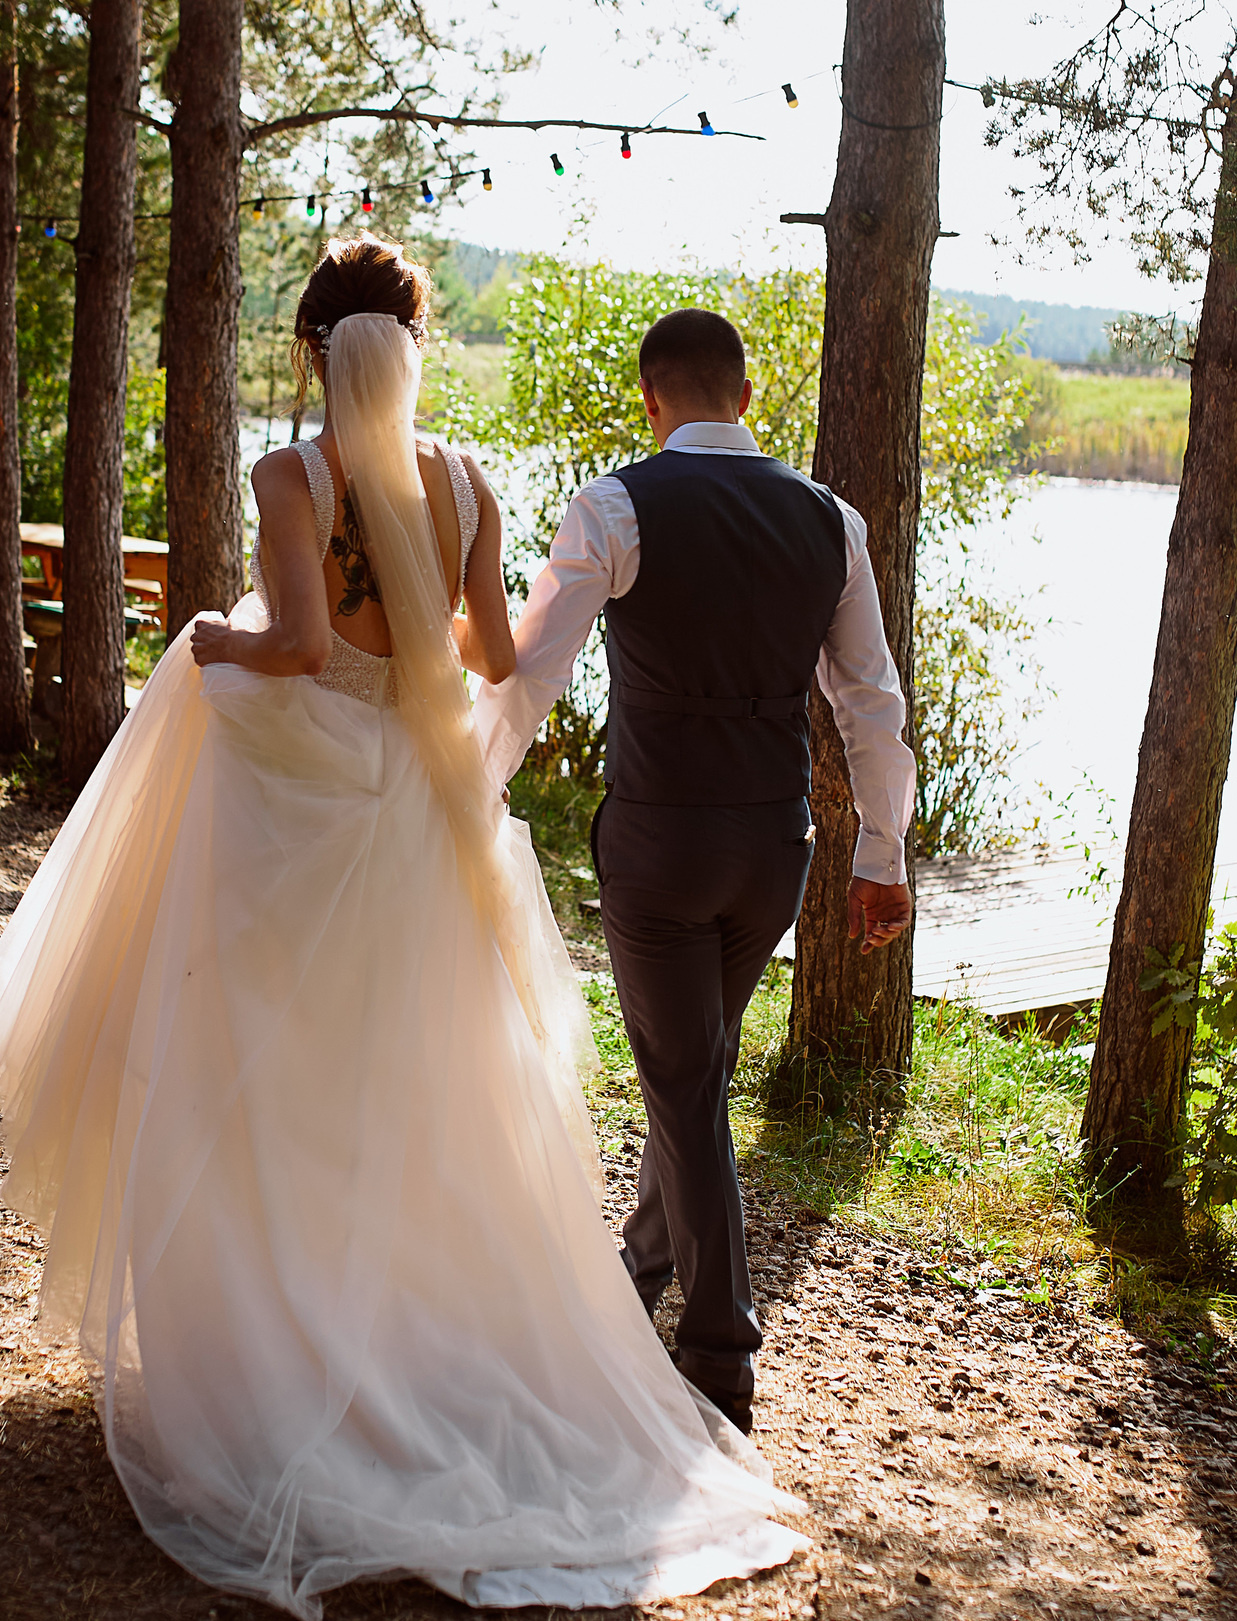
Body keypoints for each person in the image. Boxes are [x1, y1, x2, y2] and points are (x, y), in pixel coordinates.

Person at [0, 238, 806, 1618]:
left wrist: (202, 640)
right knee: (417, 1087)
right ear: (413, 348)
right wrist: (425, 623)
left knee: (266, 1081)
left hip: (301, 811)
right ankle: (408, 1345)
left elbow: (296, 644)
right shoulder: (467, 483)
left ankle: (267, 1356)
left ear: (312, 350)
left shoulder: (291, 476)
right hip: (419, 825)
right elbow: (485, 655)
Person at [472, 308, 916, 1435]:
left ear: (650, 398)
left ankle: (719, 1350)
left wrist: (470, 787)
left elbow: (535, 673)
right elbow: (869, 699)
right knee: (696, 1068)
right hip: (774, 851)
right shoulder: (831, 521)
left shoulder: (614, 505)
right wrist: (882, 853)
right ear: (748, 398)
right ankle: (638, 1268)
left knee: (682, 1080)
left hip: (660, 846)